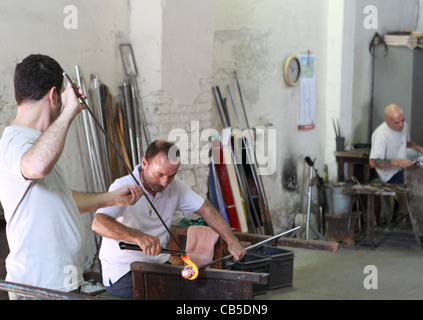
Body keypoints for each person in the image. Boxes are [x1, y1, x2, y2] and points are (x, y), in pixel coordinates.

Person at [0, 54, 143, 299]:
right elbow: (36, 166)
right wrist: (69, 112)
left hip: (57, 283)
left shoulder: (35, 143)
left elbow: (61, 199)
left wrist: (111, 199)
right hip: (40, 285)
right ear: (54, 95)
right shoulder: (16, 141)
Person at [92, 140, 247, 299]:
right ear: (144, 162)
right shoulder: (123, 186)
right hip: (123, 271)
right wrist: (138, 237)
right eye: (159, 175)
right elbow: (98, 223)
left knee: (199, 291)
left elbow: (207, 210)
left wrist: (231, 240)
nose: (165, 182)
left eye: (171, 175)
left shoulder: (175, 187)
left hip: (159, 265)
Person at [369, 104, 423, 184]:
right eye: (396, 123)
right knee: (421, 182)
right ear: (387, 121)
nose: (401, 125)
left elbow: (408, 143)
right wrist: (397, 162)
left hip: (403, 168)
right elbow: (373, 162)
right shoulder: (381, 135)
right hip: (390, 175)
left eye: (402, 120)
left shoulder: (404, 126)